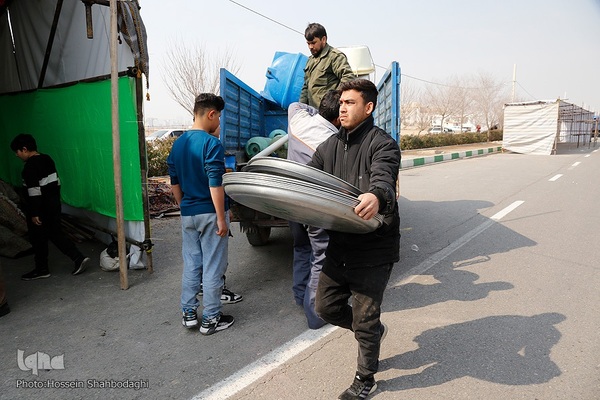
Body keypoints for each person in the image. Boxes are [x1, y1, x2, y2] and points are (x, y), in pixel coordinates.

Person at [307, 79, 401, 400]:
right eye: (342, 103)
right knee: (325, 307)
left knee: (365, 316)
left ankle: (365, 378)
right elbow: (308, 180)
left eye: (350, 103)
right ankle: (371, 331)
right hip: (340, 244)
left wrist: (377, 196)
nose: (343, 108)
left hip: (374, 247)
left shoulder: (382, 144)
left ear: (368, 107)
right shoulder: (329, 147)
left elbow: (384, 179)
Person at [167, 93, 234, 336]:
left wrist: (184, 206)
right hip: (209, 213)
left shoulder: (178, 143)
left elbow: (174, 181)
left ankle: (188, 313)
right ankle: (211, 318)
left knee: (192, 264)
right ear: (211, 114)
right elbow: (215, 183)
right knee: (213, 266)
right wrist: (221, 218)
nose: (219, 123)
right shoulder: (211, 144)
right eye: (219, 117)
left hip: (189, 213)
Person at [287, 90, 340, 329]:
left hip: (290, 201)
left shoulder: (297, 120)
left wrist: (314, 110)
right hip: (315, 205)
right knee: (321, 256)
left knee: (301, 248)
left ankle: (300, 296)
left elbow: (295, 104)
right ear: (338, 118)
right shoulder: (334, 140)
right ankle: (315, 314)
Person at [10, 134, 90, 280]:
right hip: (53, 204)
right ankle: (77, 258)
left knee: (38, 239)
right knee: (55, 233)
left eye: (17, 151)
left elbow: (34, 192)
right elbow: (56, 183)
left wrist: (34, 213)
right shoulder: (47, 159)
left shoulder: (30, 167)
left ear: (25, 149)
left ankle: (42, 269)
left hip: (40, 209)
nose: (16, 155)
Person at [299, 22, 355, 108]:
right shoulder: (310, 61)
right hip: (313, 111)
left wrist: (334, 101)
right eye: (308, 43)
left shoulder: (334, 57)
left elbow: (348, 77)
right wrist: (301, 107)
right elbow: (306, 87)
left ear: (323, 39)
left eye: (313, 43)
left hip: (329, 111)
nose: (310, 47)